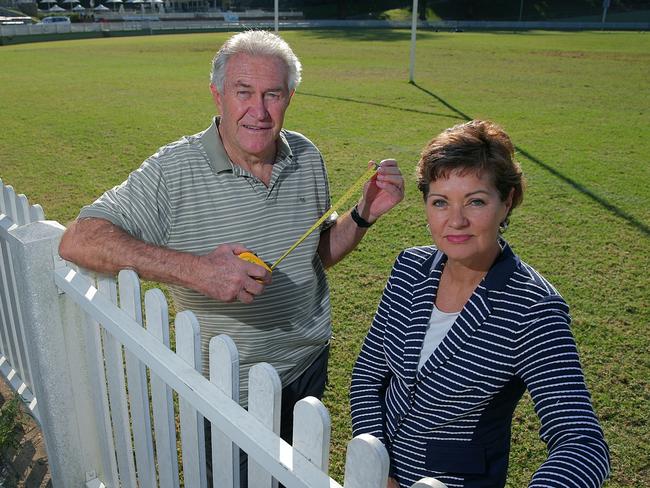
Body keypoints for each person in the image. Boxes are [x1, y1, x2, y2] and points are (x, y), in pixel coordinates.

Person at [58, 30, 404, 445]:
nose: (258, 111)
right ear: (217, 94)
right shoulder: (174, 171)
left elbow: (317, 255)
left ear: (289, 98)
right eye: (243, 92)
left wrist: (363, 214)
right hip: (228, 389)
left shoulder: (307, 156)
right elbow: (79, 239)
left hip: (307, 363)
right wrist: (198, 270)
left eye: (272, 94)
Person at [349, 120, 610, 488]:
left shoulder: (534, 309)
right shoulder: (409, 267)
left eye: (476, 201)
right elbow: (367, 377)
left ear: (508, 201)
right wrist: (378, 464)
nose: (456, 221)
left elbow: (581, 444)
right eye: (441, 202)